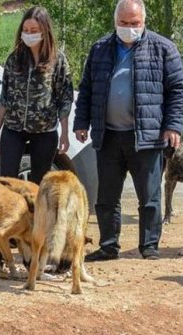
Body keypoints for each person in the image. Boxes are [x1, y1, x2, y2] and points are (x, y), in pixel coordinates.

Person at [74, 0, 183, 261]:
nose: (129, 28)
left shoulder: (164, 48)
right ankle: (109, 245)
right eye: (123, 23)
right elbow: (87, 88)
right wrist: (81, 122)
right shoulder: (100, 48)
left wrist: (173, 126)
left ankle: (149, 247)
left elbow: (177, 91)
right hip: (108, 134)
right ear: (115, 22)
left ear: (143, 21)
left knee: (149, 196)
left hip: (147, 136)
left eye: (134, 24)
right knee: (106, 197)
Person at [0, 6, 73, 185]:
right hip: (13, 129)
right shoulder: (14, 59)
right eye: (26, 30)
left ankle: (36, 213)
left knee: (38, 184)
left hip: (44, 131)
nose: (29, 34)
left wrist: (65, 133)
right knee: (8, 181)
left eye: (34, 31)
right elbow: (5, 97)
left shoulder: (57, 61)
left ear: (44, 31)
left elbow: (65, 99)